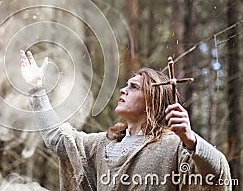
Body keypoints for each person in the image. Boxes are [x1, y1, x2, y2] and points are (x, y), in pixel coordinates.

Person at [19, 50, 231, 191]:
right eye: (126, 84)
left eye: (134, 87)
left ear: (153, 100)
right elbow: (58, 139)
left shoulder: (174, 146)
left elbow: (217, 178)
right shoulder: (102, 145)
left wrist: (192, 141)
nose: (123, 89)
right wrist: (37, 88)